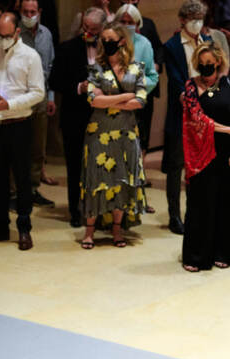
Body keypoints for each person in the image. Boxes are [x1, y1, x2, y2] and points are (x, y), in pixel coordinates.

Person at [0, 12, 45, 251]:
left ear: (16, 32)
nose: (2, 39)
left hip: (19, 124)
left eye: (6, 35)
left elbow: (38, 92)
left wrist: (9, 105)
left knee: (22, 179)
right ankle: (0, 225)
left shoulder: (30, 56)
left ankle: (24, 227)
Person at [181, 42, 230, 271]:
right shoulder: (191, 86)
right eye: (201, 65)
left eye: (209, 65)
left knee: (227, 201)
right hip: (203, 152)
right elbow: (196, 117)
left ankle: (225, 252)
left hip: (229, 151)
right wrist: (226, 129)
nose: (206, 69)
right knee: (202, 202)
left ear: (218, 62)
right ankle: (197, 256)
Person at [79, 23, 148, 249]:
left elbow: (140, 101)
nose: (107, 43)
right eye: (103, 39)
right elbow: (93, 100)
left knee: (121, 179)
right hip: (99, 132)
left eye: (111, 39)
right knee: (97, 177)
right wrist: (124, 96)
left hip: (126, 133)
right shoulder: (95, 69)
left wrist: (109, 98)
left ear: (121, 41)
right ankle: (89, 230)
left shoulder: (137, 68)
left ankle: (117, 229)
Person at [163, 0, 215, 235]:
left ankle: (200, 211)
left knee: (204, 164)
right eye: (192, 17)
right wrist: (191, 99)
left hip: (207, 111)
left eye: (200, 17)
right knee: (177, 166)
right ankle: (175, 215)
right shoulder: (172, 46)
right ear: (183, 20)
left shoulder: (209, 43)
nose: (197, 22)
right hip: (182, 112)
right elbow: (175, 79)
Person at [50, 7, 105, 227]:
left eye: (93, 29)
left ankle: (100, 211)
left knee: (101, 166)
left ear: (102, 28)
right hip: (74, 116)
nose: (88, 32)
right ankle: (76, 211)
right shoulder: (66, 48)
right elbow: (54, 82)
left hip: (102, 116)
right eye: (85, 27)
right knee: (75, 167)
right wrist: (78, 87)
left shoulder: (109, 48)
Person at [115, 4, 159, 213]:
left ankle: (138, 198)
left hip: (138, 102)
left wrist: (137, 93)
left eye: (130, 22)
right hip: (113, 104)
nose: (126, 25)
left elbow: (152, 75)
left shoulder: (145, 44)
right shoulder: (109, 42)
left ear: (137, 24)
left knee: (137, 155)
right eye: (122, 21)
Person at [19, 0, 57, 207]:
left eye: (32, 11)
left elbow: (50, 67)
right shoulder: (14, 33)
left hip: (41, 97)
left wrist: (51, 97)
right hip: (19, 98)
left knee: (37, 147)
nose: (29, 15)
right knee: (18, 146)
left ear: (39, 12)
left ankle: (33, 188)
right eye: (25, 11)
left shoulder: (47, 34)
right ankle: (16, 192)